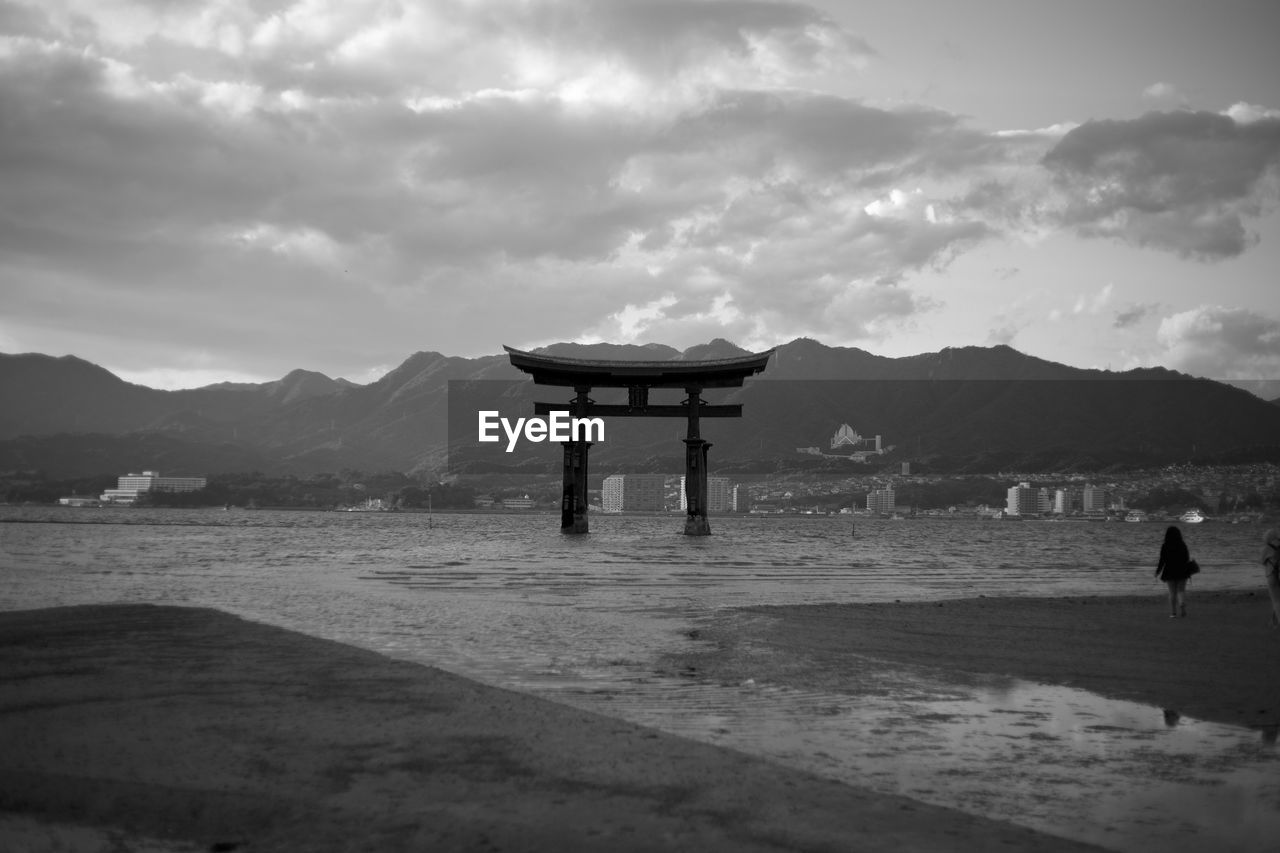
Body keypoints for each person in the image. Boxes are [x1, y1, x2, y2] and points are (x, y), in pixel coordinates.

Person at [1155, 526, 1193, 618]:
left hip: (1169, 570)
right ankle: (1182, 607)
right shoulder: (1182, 544)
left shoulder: (1165, 545)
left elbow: (1162, 560)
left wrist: (1158, 571)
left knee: (1172, 592)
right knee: (1181, 590)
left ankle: (1173, 613)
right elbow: (1186, 558)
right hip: (1182, 570)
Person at [1263, 527, 1280, 628]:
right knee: (1278, 600)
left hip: (1272, 574)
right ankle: (1274, 622)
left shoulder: (1267, 548)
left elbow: (1262, 561)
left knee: (1276, 600)